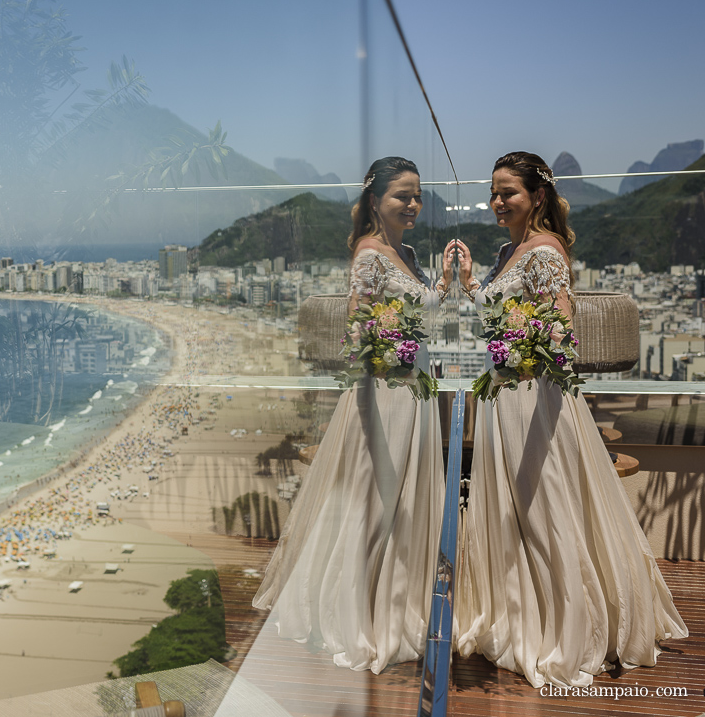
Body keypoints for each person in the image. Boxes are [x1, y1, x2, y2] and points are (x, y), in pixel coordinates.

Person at [445, 151, 687, 688]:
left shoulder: (547, 250)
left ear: (537, 195)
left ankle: (566, 620)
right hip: (505, 392)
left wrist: (530, 348)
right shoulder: (508, 250)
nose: (497, 201)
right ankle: (519, 608)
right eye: (493, 192)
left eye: (507, 191)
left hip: (535, 395)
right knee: (514, 505)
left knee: (544, 506)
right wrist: (469, 284)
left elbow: (561, 324)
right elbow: (499, 315)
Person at [252, 156, 447, 673]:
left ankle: (398, 595)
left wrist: (447, 284)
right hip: (384, 387)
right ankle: (355, 606)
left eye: (417, 195)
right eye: (402, 195)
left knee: (402, 496)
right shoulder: (369, 253)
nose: (412, 204)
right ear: (374, 200)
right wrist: (384, 356)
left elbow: (420, 309)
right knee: (374, 499)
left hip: (414, 385)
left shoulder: (404, 251)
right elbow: (358, 327)